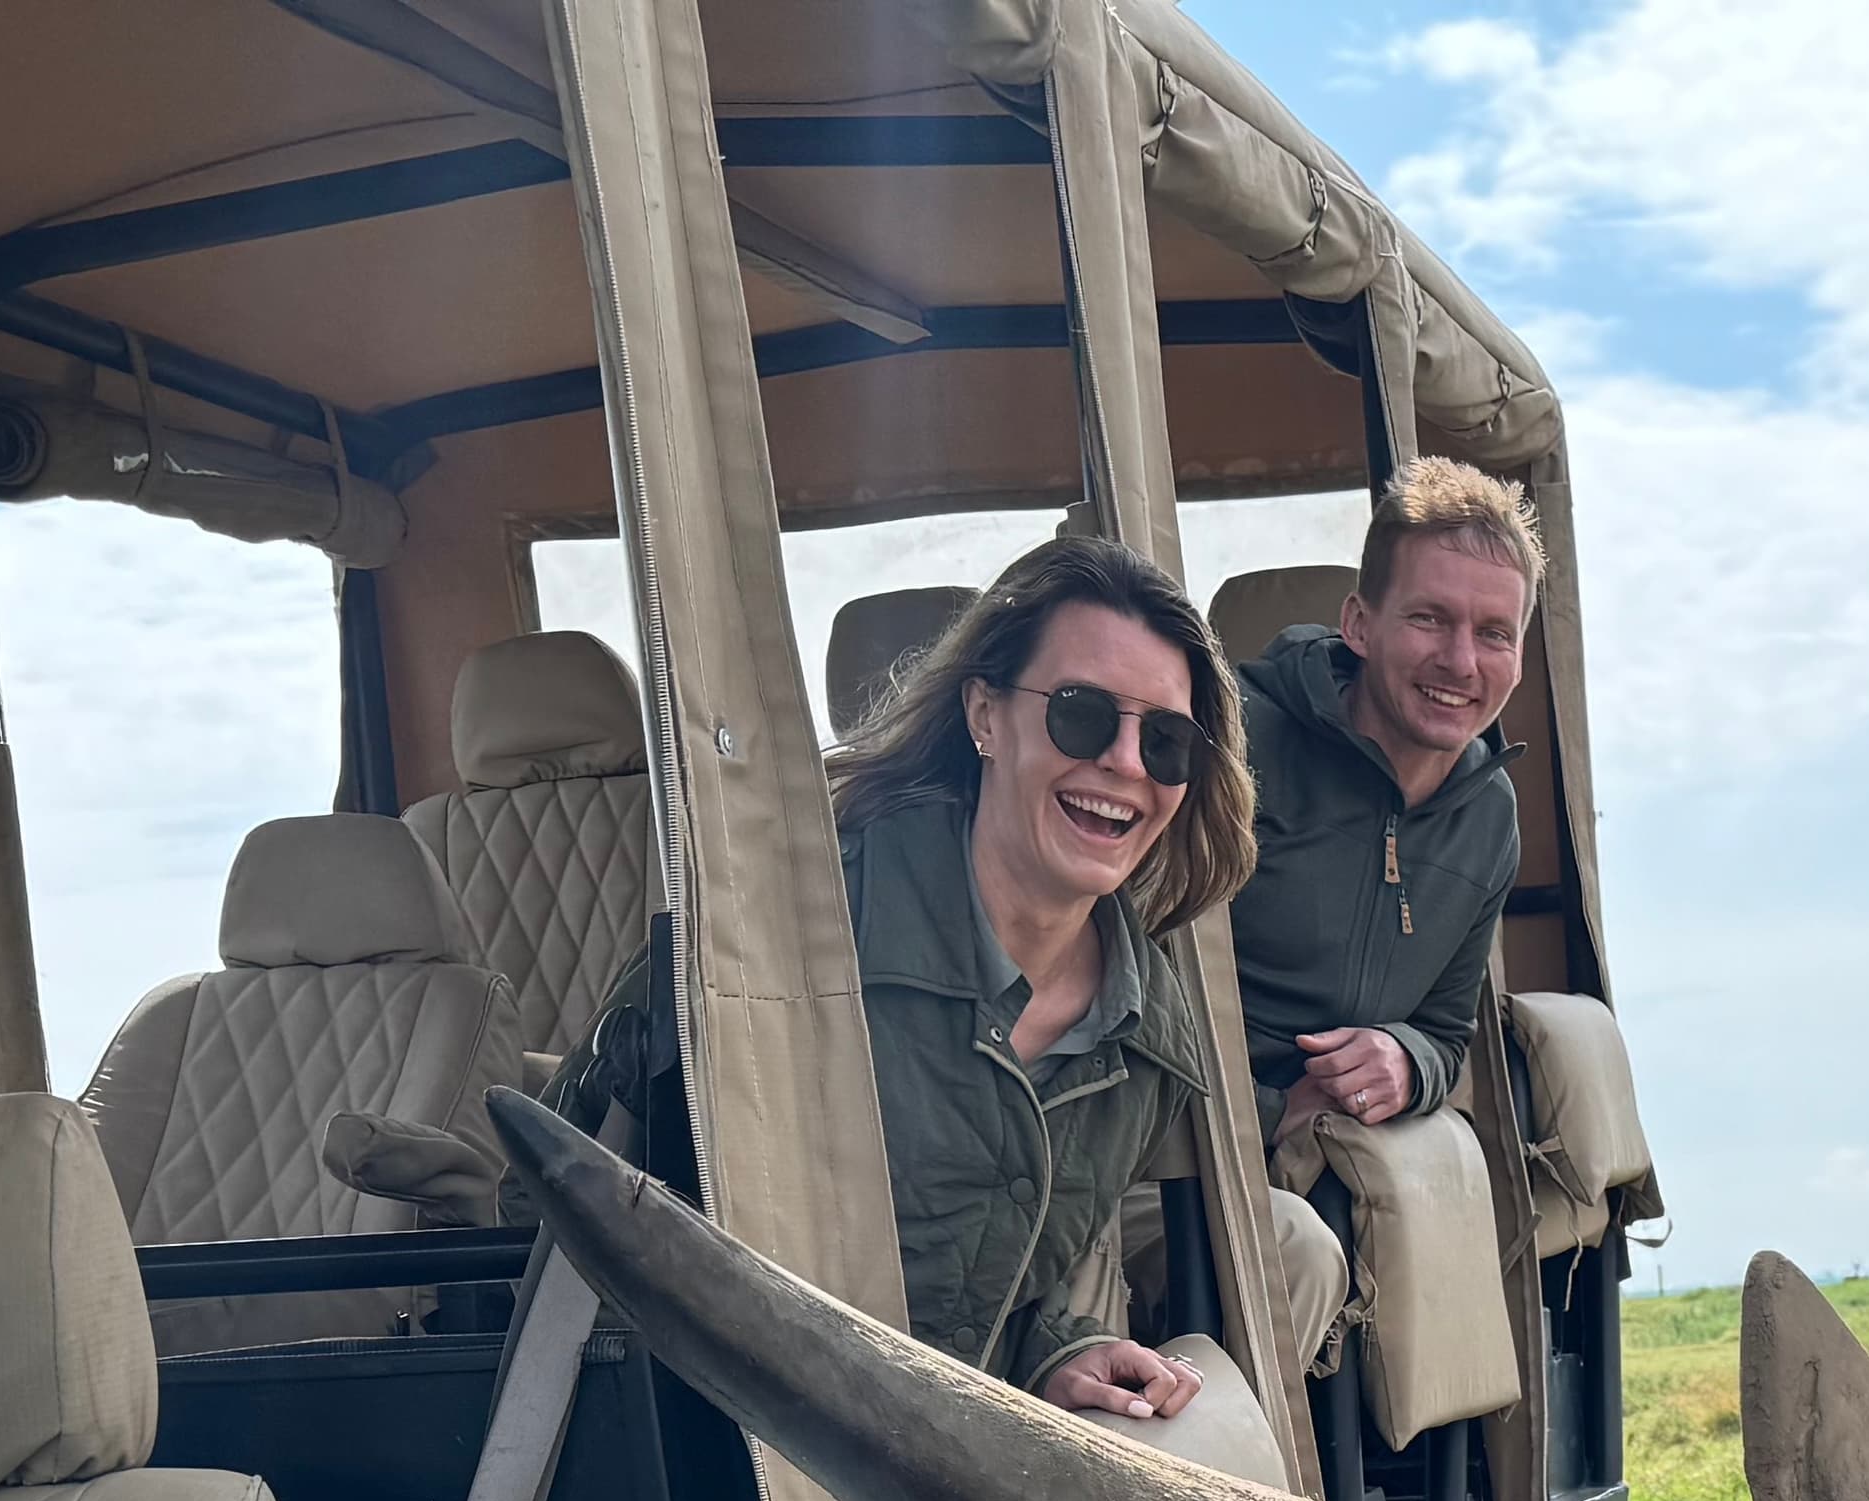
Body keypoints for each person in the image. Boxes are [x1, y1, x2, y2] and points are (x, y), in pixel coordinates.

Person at [564, 531, 1258, 1424]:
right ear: (985, 716)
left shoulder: (1150, 1043)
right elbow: (566, 1182)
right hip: (714, 1468)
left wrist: (1059, 1352)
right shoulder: (780, 936)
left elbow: (997, 1289)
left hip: (941, 1480)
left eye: (1165, 740)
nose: (1126, 762)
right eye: (1081, 713)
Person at [1231, 458, 1540, 1141]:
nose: (1461, 663)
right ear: (1360, 626)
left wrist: (1407, 1062)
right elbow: (1134, 985)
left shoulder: (1491, 816)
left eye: (1494, 633)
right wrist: (1271, 1115)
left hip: (1344, 1148)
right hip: (1196, 1149)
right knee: (1308, 1247)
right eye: (1430, 619)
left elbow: (1444, 1031)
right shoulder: (1234, 745)